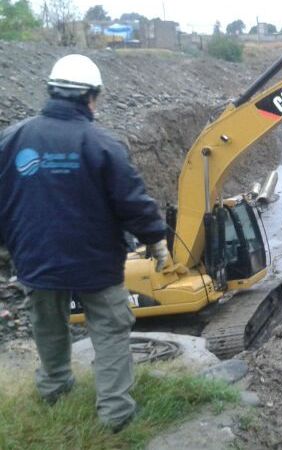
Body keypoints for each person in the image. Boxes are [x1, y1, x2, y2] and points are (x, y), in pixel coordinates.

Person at [0, 54, 169, 432]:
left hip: (35, 258)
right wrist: (156, 240)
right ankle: (116, 414)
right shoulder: (101, 143)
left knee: (48, 324)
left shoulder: (11, 139)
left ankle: (54, 389)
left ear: (51, 91)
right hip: (94, 262)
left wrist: (6, 246)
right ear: (91, 97)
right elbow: (132, 202)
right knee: (109, 330)